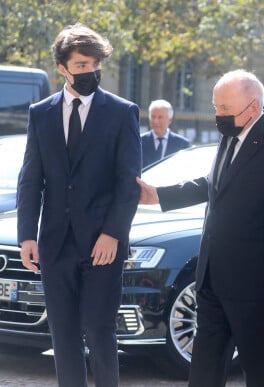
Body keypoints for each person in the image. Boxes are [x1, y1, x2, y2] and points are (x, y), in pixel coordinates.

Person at [136, 69, 264, 387]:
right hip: (211, 281)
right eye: (215, 107)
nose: (217, 115)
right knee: (204, 372)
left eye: (224, 109)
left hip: (255, 289)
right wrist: (159, 195)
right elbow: (214, 185)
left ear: (252, 107)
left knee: (260, 374)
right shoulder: (229, 134)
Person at [17, 23, 141, 387]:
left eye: (94, 64)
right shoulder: (40, 113)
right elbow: (31, 179)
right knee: (63, 337)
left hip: (103, 246)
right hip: (55, 244)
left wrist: (113, 234)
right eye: (82, 65)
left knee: (101, 332)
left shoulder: (122, 112)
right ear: (63, 68)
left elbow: (127, 183)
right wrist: (27, 236)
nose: (90, 72)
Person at [141, 99, 190, 168]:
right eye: (153, 117)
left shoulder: (182, 144)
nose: (155, 121)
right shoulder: (139, 141)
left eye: (160, 117)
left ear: (170, 120)